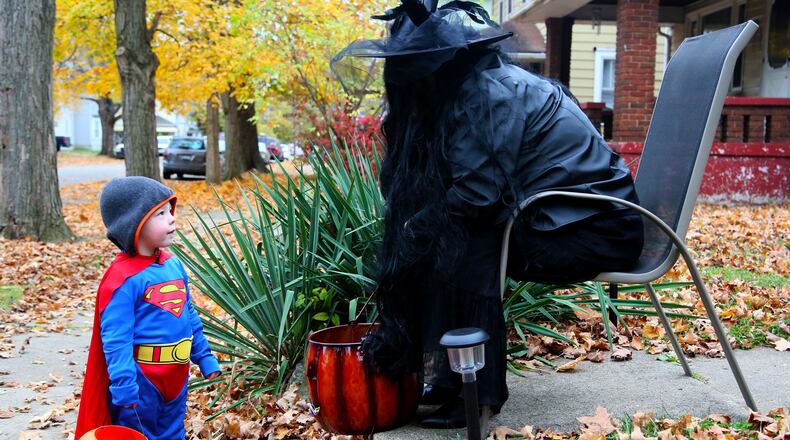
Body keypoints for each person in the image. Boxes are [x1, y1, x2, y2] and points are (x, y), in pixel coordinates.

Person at [332, 0, 645, 429]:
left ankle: (477, 391)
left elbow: (478, 197)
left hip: (599, 230)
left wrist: (416, 226)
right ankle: (452, 377)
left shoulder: (487, 96)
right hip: (566, 220)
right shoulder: (476, 86)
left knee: (468, 236)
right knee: (453, 233)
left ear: (438, 66)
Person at [75, 176, 221, 439]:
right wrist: (124, 385)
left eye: (170, 211)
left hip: (177, 376)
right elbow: (116, 339)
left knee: (174, 432)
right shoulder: (123, 279)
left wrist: (204, 356)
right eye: (161, 214)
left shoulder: (173, 265)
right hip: (143, 382)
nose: (172, 218)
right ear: (135, 223)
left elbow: (188, 314)